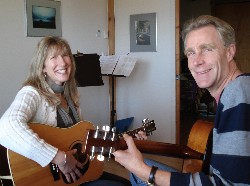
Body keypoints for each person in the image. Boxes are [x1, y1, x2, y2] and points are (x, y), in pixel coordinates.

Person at [113, 15, 250, 185]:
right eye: (191, 52)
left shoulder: (238, 92)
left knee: (139, 172)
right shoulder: (235, 91)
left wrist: (143, 171)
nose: (196, 61)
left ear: (229, 52)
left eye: (207, 49)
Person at [0, 36, 146, 186]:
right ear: (42, 66)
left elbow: (84, 145)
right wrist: (59, 158)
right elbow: (5, 127)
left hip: (75, 174)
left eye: (65, 55)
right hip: (49, 179)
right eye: (53, 57)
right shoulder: (32, 93)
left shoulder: (71, 97)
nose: (62, 62)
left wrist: (125, 141)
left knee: (126, 183)